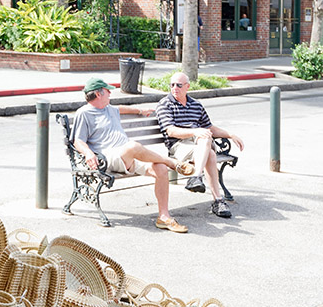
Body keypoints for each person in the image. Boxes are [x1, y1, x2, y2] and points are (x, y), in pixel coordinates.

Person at [71, 78, 195, 233]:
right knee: (134, 146)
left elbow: (121, 109)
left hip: (129, 156)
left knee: (160, 169)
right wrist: (88, 153)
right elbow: (78, 141)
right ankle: (172, 162)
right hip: (108, 158)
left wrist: (139, 111)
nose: (110, 93)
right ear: (98, 94)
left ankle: (164, 217)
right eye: (107, 91)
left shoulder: (108, 108)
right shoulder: (84, 113)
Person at [155, 72, 244, 219]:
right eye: (172, 85)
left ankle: (196, 177)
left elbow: (210, 127)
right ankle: (217, 200)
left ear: (187, 87)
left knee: (206, 139)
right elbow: (171, 131)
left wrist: (230, 135)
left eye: (178, 85)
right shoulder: (165, 104)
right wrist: (195, 131)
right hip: (178, 146)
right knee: (210, 153)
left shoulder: (196, 105)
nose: (174, 88)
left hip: (200, 143)